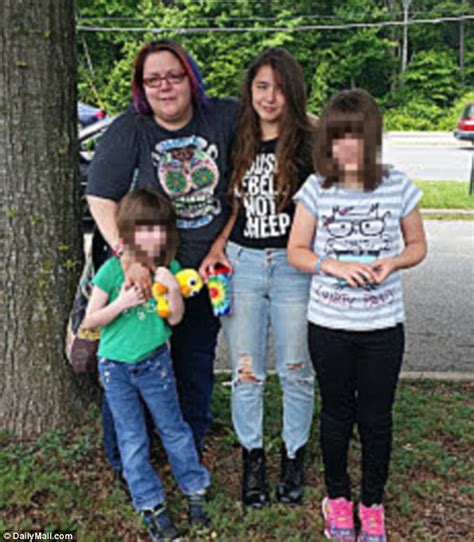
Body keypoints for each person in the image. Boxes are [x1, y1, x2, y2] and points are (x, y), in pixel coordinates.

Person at [85, 40, 239, 468]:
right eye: (153, 79)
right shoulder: (130, 128)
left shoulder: (223, 115)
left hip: (204, 271)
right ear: (141, 87)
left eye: (174, 76)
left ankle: (187, 451)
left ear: (191, 79)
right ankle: (126, 459)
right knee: (129, 359)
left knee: (194, 361)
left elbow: (281, 117)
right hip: (144, 272)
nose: (164, 86)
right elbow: (100, 197)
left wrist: (335, 127)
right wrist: (128, 256)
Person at [288, 89, 427, 541]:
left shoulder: (398, 185)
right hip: (329, 325)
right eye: (338, 136)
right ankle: (338, 500)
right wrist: (333, 266)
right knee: (336, 414)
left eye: (357, 135)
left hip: (382, 327)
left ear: (373, 137)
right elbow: (297, 251)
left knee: (376, 419)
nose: (347, 146)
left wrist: (394, 262)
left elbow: (417, 246)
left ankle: (371, 503)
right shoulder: (316, 189)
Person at [200, 48, 315, 508]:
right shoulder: (237, 138)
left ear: (294, 93)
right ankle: (253, 460)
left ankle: (293, 458)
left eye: (281, 89)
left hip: (293, 267)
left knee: (296, 370)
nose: (270, 97)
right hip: (242, 264)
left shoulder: (308, 143)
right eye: (262, 86)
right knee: (246, 372)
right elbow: (235, 207)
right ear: (250, 90)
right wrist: (217, 247)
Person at [84, 188, 210, 541]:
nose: (153, 238)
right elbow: (91, 319)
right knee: (132, 436)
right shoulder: (112, 271)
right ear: (127, 232)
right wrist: (122, 303)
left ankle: (194, 487)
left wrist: (172, 290)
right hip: (116, 368)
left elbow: (175, 320)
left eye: (159, 229)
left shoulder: (168, 270)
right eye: (144, 229)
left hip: (155, 364)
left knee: (173, 428)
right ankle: (149, 502)